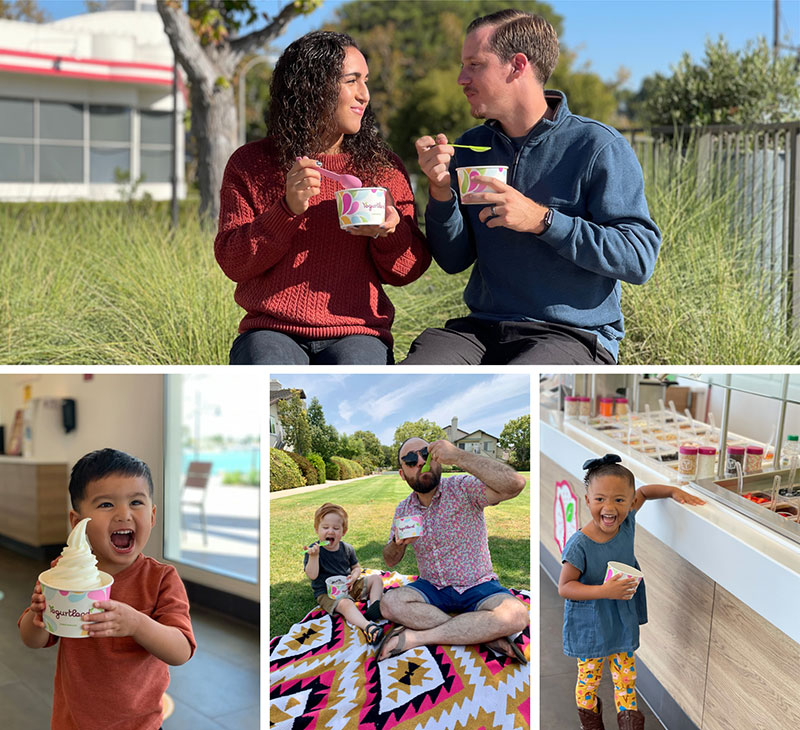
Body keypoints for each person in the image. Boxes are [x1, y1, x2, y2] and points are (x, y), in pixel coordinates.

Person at [403, 9, 661, 365]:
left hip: (571, 335)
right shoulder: (470, 146)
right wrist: (441, 192)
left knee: (519, 383)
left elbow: (638, 258)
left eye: (475, 65)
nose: (462, 78)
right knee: (421, 370)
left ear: (517, 65)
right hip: (482, 329)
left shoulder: (596, 146)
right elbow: (452, 260)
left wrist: (543, 221)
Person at [215, 30, 429, 365]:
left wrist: (391, 231)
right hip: (272, 330)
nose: (365, 95)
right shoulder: (251, 164)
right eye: (351, 81)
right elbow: (233, 262)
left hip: (359, 330)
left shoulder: (383, 168)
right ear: (312, 87)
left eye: (366, 81)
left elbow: (406, 271)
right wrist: (285, 210)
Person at [18, 448, 195, 730]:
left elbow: (181, 651)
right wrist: (38, 616)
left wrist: (137, 624)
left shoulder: (161, 579)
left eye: (136, 502)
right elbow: (32, 639)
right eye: (106, 505)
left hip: (140, 725)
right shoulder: (63, 572)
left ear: (152, 515)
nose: (124, 514)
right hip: (72, 722)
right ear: (77, 523)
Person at [558, 454, 705, 730]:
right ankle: (591, 725)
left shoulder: (626, 523)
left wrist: (673, 491)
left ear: (628, 502)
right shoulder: (579, 544)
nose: (609, 508)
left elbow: (646, 491)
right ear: (587, 500)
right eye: (600, 499)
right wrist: (605, 590)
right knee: (588, 681)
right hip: (591, 623)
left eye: (619, 500)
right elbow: (565, 587)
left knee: (626, 681)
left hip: (620, 621)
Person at [376, 437, 529, 663]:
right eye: (410, 460)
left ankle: (418, 638)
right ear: (402, 474)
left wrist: (458, 456)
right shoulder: (404, 509)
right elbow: (390, 561)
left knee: (517, 615)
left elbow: (514, 484)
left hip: (477, 584)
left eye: (425, 454)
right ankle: (482, 635)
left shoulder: (462, 488)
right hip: (432, 587)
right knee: (389, 603)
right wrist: (397, 544)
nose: (420, 461)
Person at [304, 503, 385, 647]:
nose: (331, 531)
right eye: (325, 527)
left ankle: (374, 607)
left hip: (349, 586)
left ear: (343, 531)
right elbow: (312, 575)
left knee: (376, 579)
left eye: (336, 528)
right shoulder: (314, 551)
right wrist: (314, 557)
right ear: (317, 530)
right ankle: (368, 626)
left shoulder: (347, 548)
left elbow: (356, 567)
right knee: (345, 603)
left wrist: (354, 576)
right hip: (327, 593)